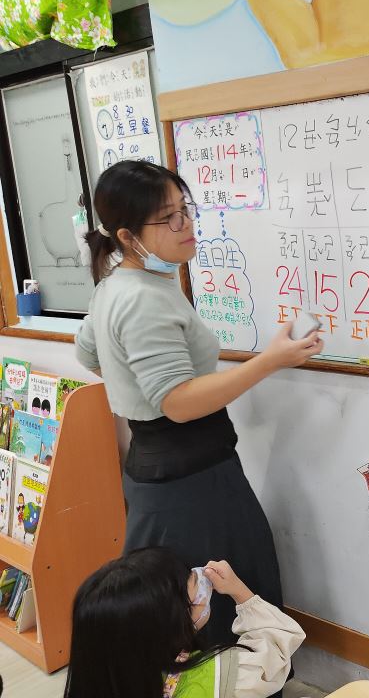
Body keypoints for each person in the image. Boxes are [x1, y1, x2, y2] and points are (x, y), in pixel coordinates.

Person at [74, 161, 323, 650]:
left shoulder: (118, 286)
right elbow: (179, 403)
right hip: (188, 484)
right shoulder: (142, 298)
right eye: (168, 218)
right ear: (127, 236)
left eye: (185, 209)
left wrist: (140, 391)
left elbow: (89, 353)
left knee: (183, 608)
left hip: (166, 471)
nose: (185, 224)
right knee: (216, 609)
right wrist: (270, 361)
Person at [63, 547, 305, 698]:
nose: (204, 585)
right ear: (173, 623)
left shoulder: (107, 676)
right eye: (196, 588)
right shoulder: (217, 674)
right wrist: (240, 592)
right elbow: (276, 649)